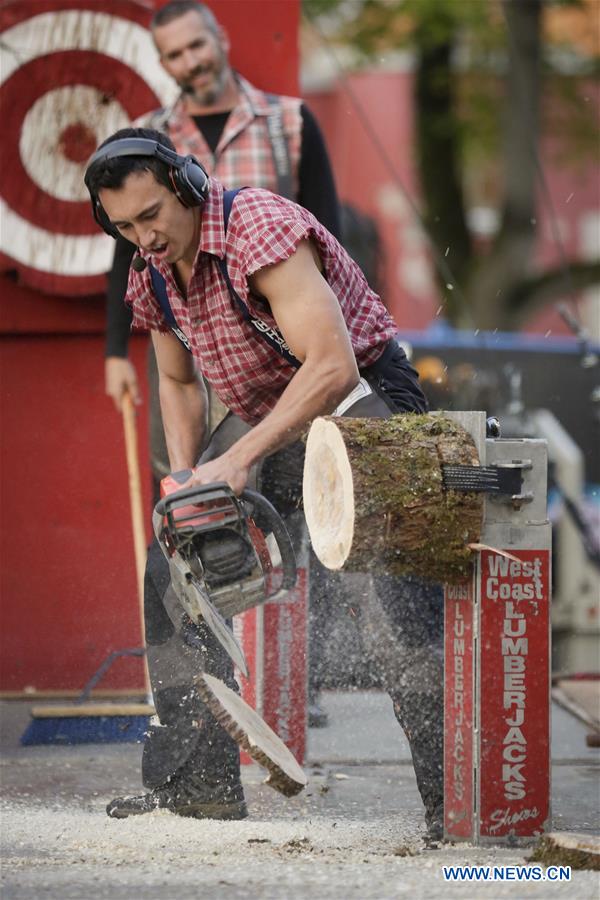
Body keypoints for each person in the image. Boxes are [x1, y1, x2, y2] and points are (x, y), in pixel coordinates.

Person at [84, 127, 444, 840]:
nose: (144, 237)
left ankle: (454, 797)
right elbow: (176, 380)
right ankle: (200, 789)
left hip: (361, 395)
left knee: (384, 579)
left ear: (186, 184)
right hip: (270, 416)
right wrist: (189, 479)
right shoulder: (152, 270)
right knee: (174, 566)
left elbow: (333, 366)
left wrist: (238, 458)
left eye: (151, 215)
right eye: (124, 227)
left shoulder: (258, 229)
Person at [105, 0, 340, 726]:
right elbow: (133, 259)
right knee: (193, 516)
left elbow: (331, 231)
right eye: (174, 55)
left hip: (299, 342)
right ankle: (206, 717)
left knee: (309, 509)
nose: (190, 63)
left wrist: (341, 332)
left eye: (196, 47)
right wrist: (115, 348)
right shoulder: (146, 141)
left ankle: (299, 677)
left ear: (220, 40)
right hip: (208, 348)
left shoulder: (288, 122)